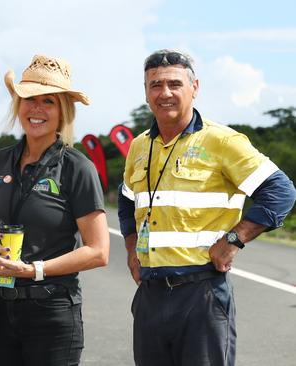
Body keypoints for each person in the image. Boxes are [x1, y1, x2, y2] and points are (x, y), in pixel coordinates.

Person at [118, 49, 296, 366]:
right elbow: (127, 198)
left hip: (201, 293)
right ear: (146, 91)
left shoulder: (222, 141)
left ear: (194, 87)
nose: (165, 93)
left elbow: (280, 191)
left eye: (175, 83)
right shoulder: (139, 145)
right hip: (150, 293)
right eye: (155, 85)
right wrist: (132, 248)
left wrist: (234, 240)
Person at [0, 54, 110, 366]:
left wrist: (34, 270)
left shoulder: (77, 167)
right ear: (17, 106)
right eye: (29, 99)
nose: (36, 109)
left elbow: (98, 251)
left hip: (52, 312)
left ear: (62, 112)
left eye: (48, 101)